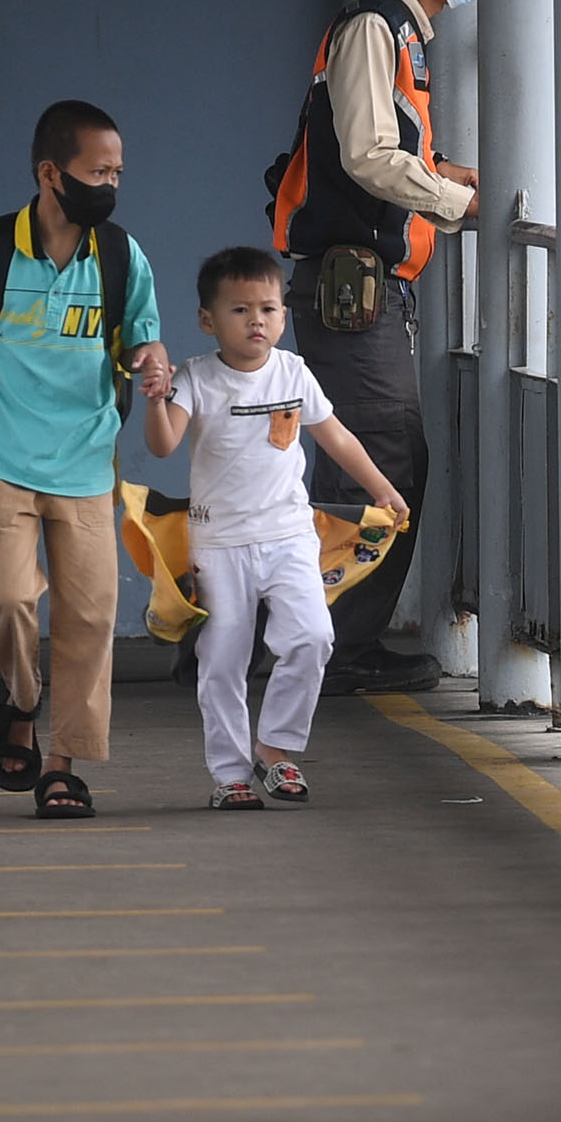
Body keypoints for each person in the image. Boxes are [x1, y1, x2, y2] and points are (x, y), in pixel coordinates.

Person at [0, 99, 172, 822]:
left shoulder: (120, 255)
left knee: (89, 618)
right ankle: (20, 695)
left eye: (118, 171)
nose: (111, 184)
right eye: (98, 170)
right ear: (50, 173)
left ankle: (62, 766)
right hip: (0, 453)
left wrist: (153, 367)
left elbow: (147, 339)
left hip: (86, 460)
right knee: (12, 597)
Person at [268, 0, 479, 693]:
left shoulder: (401, 34)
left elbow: (388, 148)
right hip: (348, 285)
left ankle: (305, 639)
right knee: (380, 457)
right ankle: (337, 645)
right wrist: (456, 199)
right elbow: (365, 156)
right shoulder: (375, 29)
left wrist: (440, 170)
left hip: (366, 283)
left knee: (362, 461)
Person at [141, 247, 413, 810]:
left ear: (284, 317)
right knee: (223, 660)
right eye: (239, 310)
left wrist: (381, 488)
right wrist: (154, 398)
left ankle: (276, 749)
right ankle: (229, 773)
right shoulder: (196, 378)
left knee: (313, 638)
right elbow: (164, 443)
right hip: (218, 544)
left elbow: (335, 437)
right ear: (207, 320)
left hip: (290, 537)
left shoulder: (294, 371)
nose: (256, 321)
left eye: (268, 308)